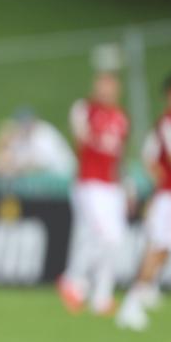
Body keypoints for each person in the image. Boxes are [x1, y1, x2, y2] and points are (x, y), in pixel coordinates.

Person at [57, 72, 129, 315]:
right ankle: (73, 281)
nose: (106, 91)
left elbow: (119, 156)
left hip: (111, 186)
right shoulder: (85, 110)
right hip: (90, 183)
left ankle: (102, 297)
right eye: (102, 86)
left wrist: (125, 185)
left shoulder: (120, 118)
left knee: (114, 240)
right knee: (102, 235)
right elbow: (82, 140)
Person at [116, 72, 171, 331]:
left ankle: (144, 292)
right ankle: (132, 303)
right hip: (170, 197)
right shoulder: (168, 122)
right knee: (158, 247)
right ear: (169, 95)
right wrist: (159, 182)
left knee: (164, 249)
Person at [0, 106, 75, 178]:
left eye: (27, 122)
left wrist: (15, 169)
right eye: (21, 123)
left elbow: (40, 163)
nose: (24, 126)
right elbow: (9, 158)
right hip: (46, 179)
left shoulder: (43, 133)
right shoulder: (21, 137)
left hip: (63, 176)